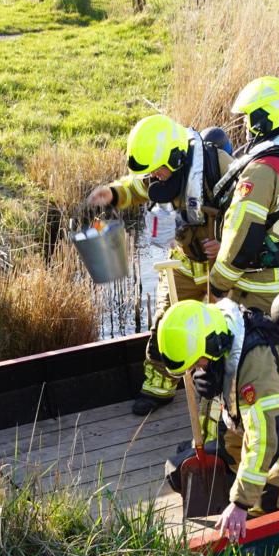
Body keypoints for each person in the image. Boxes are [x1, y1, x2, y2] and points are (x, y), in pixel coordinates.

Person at [150, 298, 279, 545]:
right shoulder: (223, 329)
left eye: (198, 363)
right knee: (234, 462)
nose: (198, 368)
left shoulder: (255, 371)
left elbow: (264, 438)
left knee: (270, 501)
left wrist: (239, 504)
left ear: (213, 347)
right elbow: (238, 412)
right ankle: (277, 481)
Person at [84, 113, 235, 415]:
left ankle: (223, 398)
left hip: (219, 268)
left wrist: (223, 246)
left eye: (159, 170)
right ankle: (158, 388)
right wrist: (112, 194)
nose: (156, 176)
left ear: (176, 156)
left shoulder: (219, 168)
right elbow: (139, 188)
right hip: (183, 262)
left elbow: (244, 217)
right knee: (166, 324)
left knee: (223, 331)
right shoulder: (164, 169)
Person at [207, 76, 279, 307]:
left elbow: (242, 235)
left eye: (248, 117)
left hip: (263, 298)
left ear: (261, 120)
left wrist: (217, 284)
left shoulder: (261, 170)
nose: (246, 125)